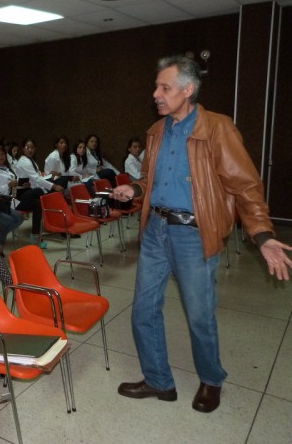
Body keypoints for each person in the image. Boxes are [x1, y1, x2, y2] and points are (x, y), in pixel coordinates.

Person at [112, 55, 292, 413]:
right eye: (157, 87)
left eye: (165, 88)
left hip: (193, 235)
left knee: (199, 315)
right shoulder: (157, 130)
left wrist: (262, 234)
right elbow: (151, 178)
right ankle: (159, 380)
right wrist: (136, 189)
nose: (156, 94)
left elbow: (246, 186)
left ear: (188, 90)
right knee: (143, 311)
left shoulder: (217, 128)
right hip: (156, 231)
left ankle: (211, 380)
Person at [14, 137, 64, 246]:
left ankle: (35, 235)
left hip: (29, 193)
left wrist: (49, 178)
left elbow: (35, 179)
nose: (30, 150)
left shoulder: (31, 161)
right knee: (39, 191)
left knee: (37, 204)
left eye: (32, 147)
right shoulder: (24, 162)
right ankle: (55, 215)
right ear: (23, 149)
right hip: (19, 198)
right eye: (27, 147)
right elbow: (36, 179)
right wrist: (53, 186)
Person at [0, 145, 25, 255]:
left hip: (5, 203)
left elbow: (12, 187)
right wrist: (8, 185)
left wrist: (21, 185)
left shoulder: (8, 169)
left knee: (20, 217)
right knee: (9, 221)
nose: (1, 156)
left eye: (2, 154)